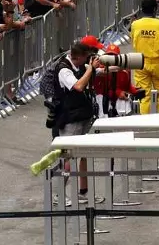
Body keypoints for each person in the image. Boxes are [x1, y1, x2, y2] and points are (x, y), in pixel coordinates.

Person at [53, 41, 97, 205]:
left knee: (81, 155)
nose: (86, 62)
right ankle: (58, 194)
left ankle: (80, 192)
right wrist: (90, 69)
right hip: (69, 118)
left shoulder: (78, 65)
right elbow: (78, 86)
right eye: (85, 59)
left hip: (81, 115)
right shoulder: (64, 69)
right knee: (67, 158)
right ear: (76, 57)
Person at [130, 0, 159, 114]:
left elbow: (133, 41)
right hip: (158, 63)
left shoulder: (135, 24)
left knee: (143, 94)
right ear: (155, 9)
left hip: (140, 62)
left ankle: (144, 121)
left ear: (142, 9)